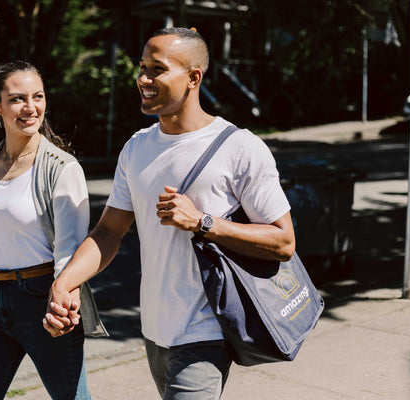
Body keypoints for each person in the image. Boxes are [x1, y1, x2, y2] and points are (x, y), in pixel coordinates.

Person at [43, 28, 296, 399]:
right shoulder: (136, 148)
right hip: (156, 331)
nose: (143, 79)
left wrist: (202, 222)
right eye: (142, 67)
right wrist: (65, 282)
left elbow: (284, 241)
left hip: (206, 332)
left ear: (194, 77)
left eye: (157, 70)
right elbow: (109, 232)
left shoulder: (240, 148)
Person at [0, 60, 106, 400]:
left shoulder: (62, 169)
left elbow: (69, 251)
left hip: (44, 298)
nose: (30, 107)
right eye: (17, 99)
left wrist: (62, 303)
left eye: (37, 96)